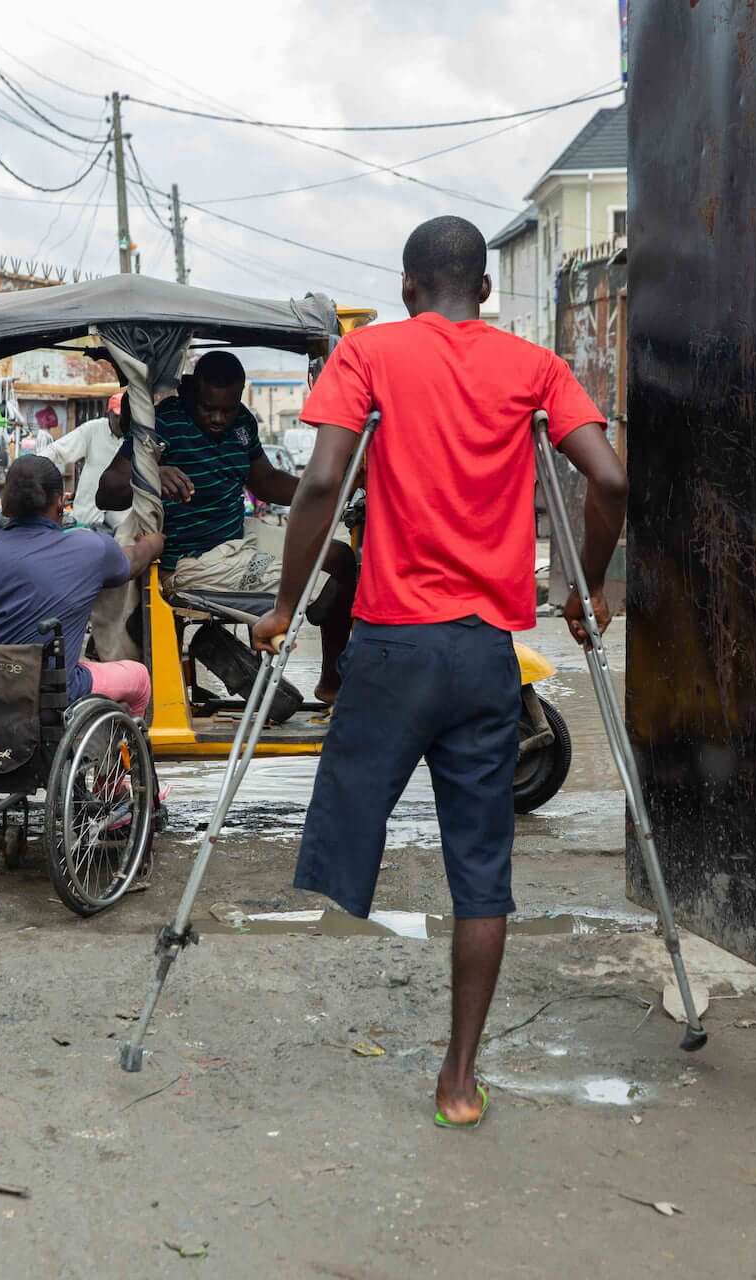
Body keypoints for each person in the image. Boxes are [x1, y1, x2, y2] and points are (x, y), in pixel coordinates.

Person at [252, 215, 626, 1129]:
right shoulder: (534, 367)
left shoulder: (369, 354)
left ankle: (343, 891)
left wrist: (283, 605)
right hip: (485, 652)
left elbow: (317, 484)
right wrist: (590, 588)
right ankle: (459, 1080)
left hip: (388, 645)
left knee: (347, 818)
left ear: (411, 286)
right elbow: (610, 482)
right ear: (485, 290)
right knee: (481, 870)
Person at [96, 352, 357, 702]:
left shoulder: (242, 424)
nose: (219, 418)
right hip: (191, 558)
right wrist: (150, 474)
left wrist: (331, 490)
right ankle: (301, 611)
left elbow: (264, 481)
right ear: (192, 394)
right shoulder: (164, 423)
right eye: (208, 408)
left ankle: (331, 681)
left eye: (228, 408)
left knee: (339, 557)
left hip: (238, 534)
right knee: (323, 591)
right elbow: (107, 491)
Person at [0, 455, 162, 718]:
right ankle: (120, 750)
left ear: (4, 504)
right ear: (60, 503)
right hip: (52, 688)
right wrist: (154, 542)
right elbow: (135, 561)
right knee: (138, 678)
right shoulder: (91, 548)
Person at [42, 392, 132, 532]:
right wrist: (33, 467)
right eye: (117, 416)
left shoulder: (134, 438)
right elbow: (57, 450)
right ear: (108, 413)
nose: (120, 421)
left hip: (121, 521)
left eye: (124, 416)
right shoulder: (93, 430)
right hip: (88, 517)